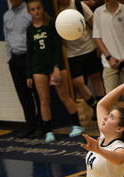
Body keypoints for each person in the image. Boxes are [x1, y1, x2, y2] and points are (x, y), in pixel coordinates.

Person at [26, 0, 84, 143]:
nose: (36, 11)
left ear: (42, 8)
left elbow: (58, 47)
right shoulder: (30, 29)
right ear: (29, 12)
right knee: (44, 100)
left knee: (64, 96)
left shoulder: (51, 23)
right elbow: (30, 53)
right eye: (33, 9)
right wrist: (29, 74)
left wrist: (57, 67)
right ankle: (48, 131)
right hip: (38, 68)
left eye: (38, 8)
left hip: (55, 67)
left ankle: (77, 125)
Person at [58, 0, 105, 120]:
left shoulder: (79, 5)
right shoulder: (56, 9)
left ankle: (102, 109)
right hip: (71, 53)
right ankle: (94, 106)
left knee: (96, 78)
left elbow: (94, 24)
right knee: (77, 83)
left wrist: (100, 46)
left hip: (89, 47)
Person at [3, 0, 42, 139]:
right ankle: (30, 126)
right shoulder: (6, 15)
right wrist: (9, 58)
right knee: (23, 95)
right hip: (15, 59)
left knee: (37, 93)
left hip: (29, 57)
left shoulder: (29, 11)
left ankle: (41, 126)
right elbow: (7, 38)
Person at [93, 0, 124, 114]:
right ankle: (114, 128)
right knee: (111, 98)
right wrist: (109, 57)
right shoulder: (98, 12)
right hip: (109, 63)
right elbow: (97, 38)